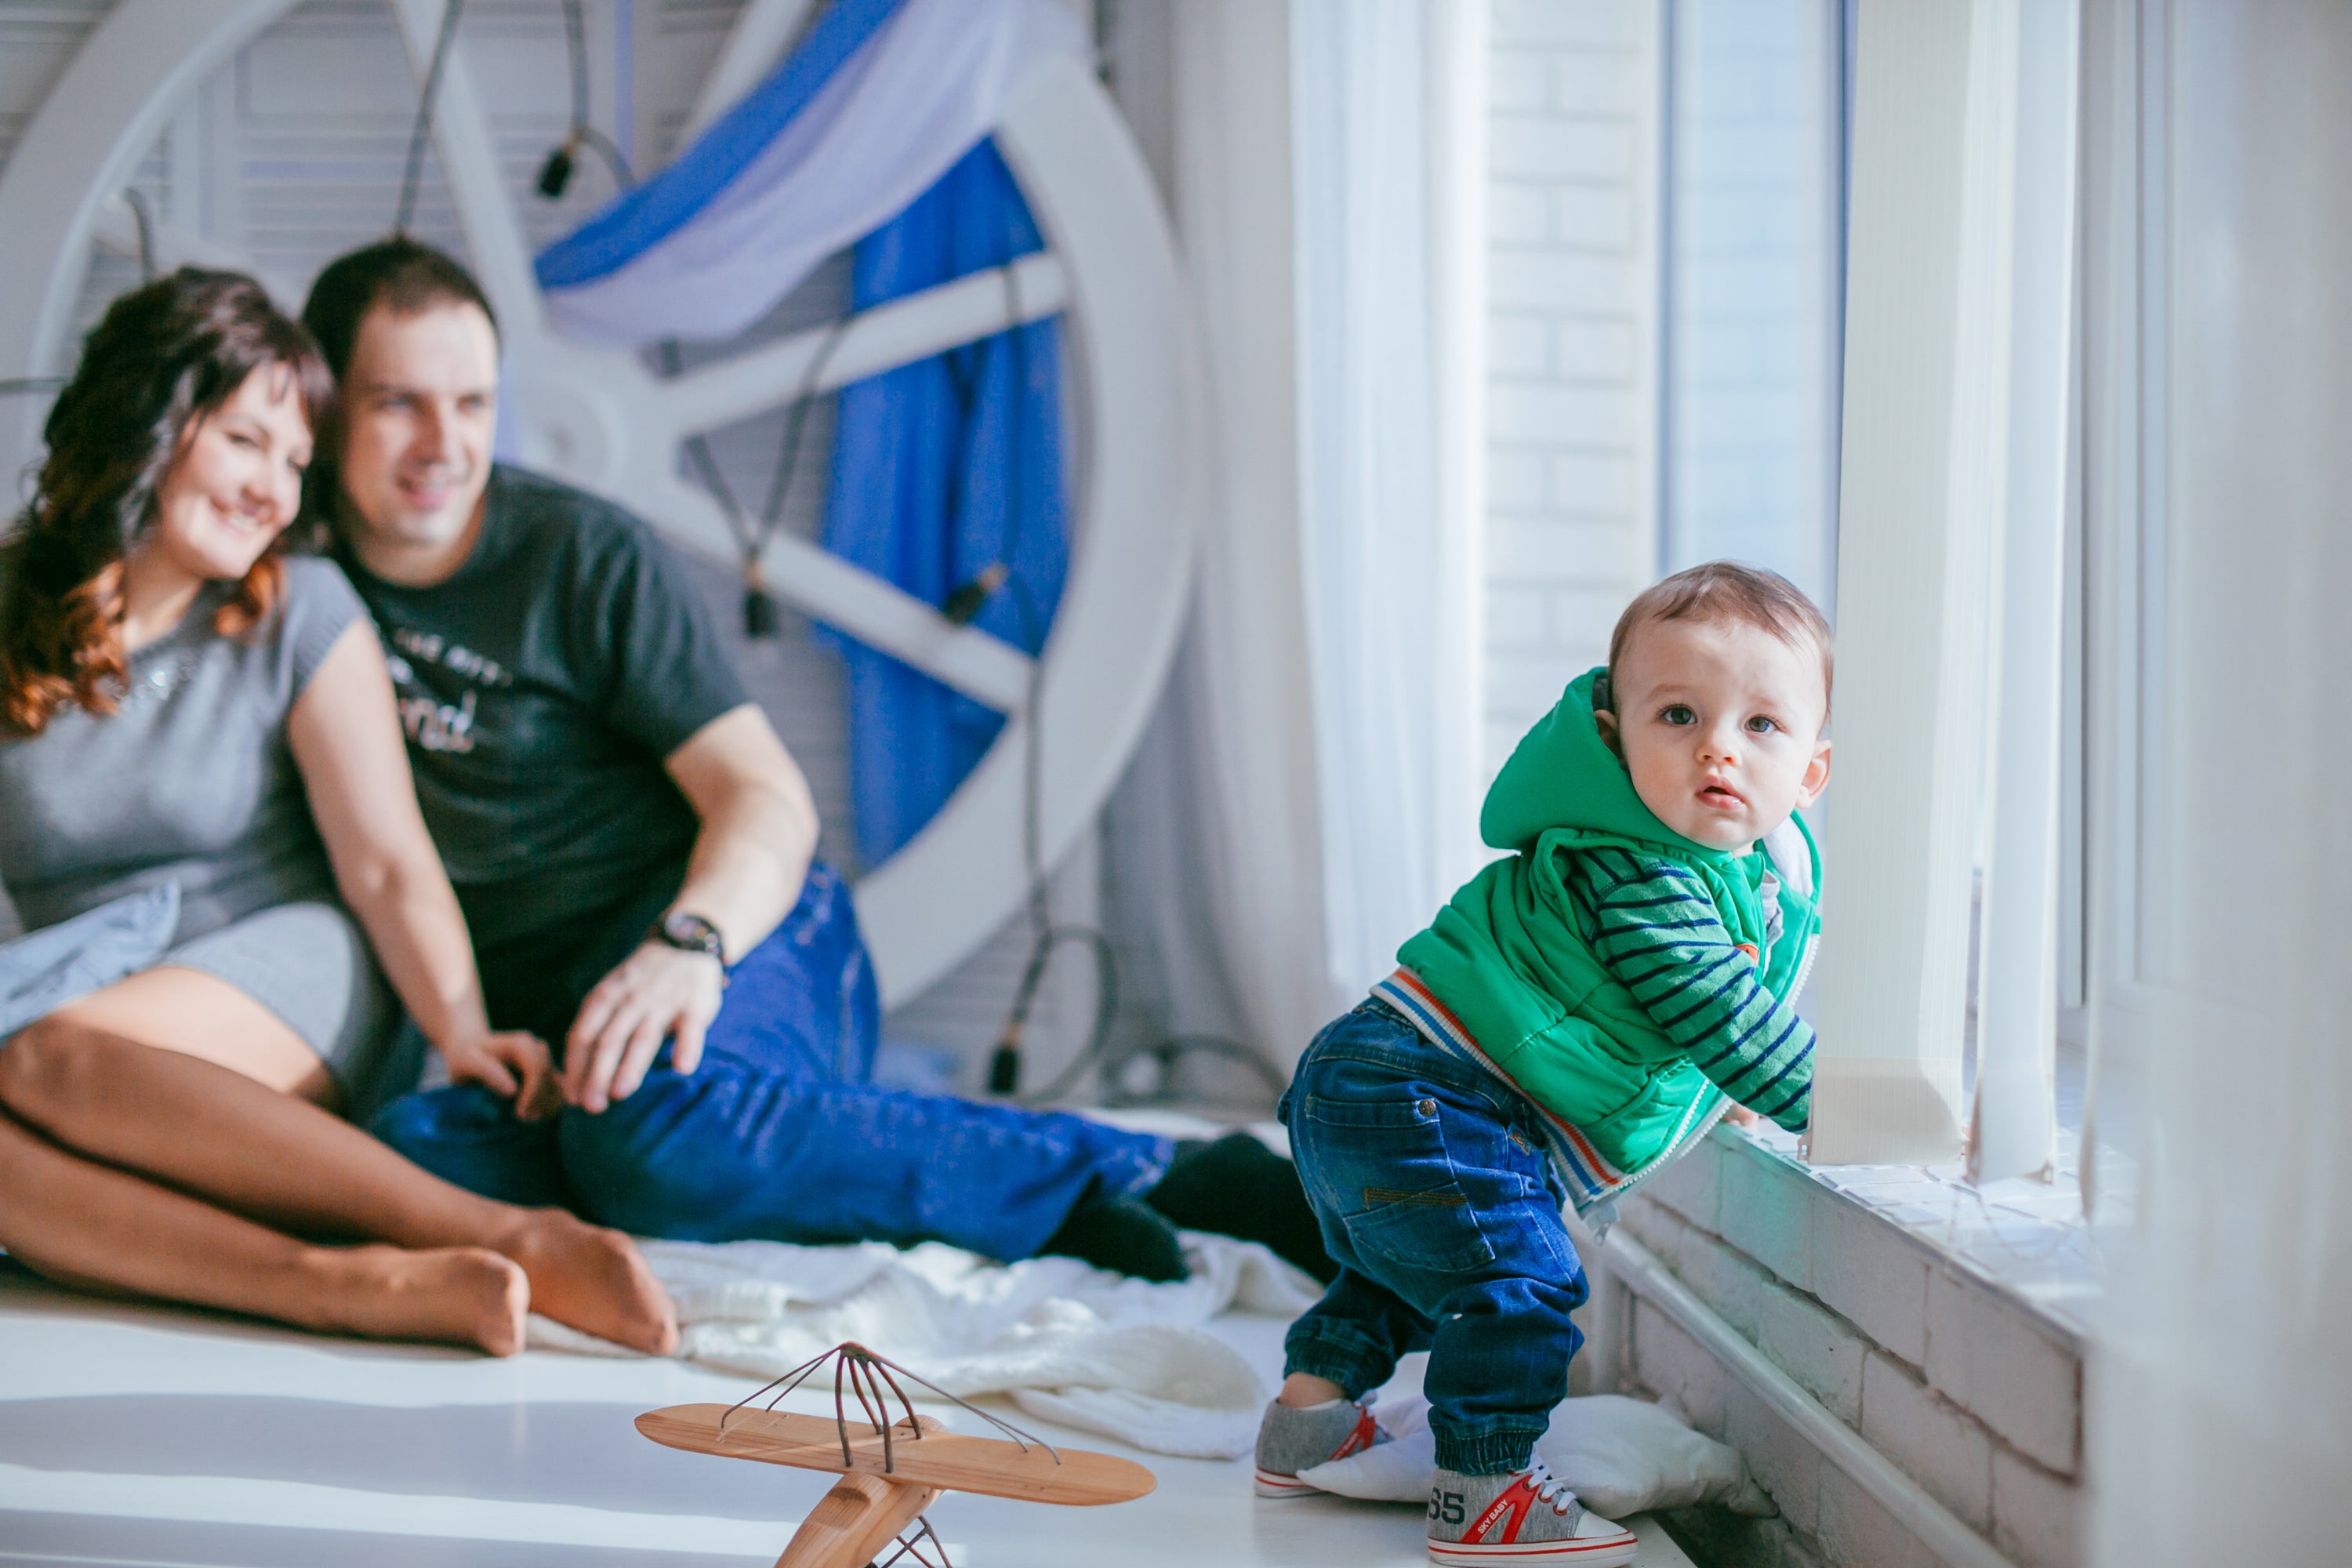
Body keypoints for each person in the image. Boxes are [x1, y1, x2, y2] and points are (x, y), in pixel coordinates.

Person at [305, 238, 1323, 1285]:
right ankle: (1006, 1207)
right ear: (326, 402)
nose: (444, 444)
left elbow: (765, 799)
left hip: (746, 932)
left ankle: (1160, 1168)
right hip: (560, 1032)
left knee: (653, 1142)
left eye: (472, 404)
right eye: (398, 404)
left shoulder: (579, 555)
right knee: (400, 1160)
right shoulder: (290, 585)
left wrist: (689, 945)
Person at [0, 268, 677, 1359]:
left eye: (296, 461)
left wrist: (458, 1028)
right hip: (81, 981)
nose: (276, 490)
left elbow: (386, 863)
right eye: (246, 442)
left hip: (290, 961)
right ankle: (336, 1285)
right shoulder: (6, 605)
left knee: (40, 1062)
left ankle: (515, 1238)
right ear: (154, 421)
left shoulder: (303, 608)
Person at [1254, 562, 1832, 1567]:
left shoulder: (1739, 871)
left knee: (1408, 1265)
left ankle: (1307, 1418)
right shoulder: (1637, 865)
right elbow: (1708, 1002)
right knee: (1521, 1271)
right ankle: (1482, 1487)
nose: (1718, 750)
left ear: (1811, 772)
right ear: (1614, 734)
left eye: (1762, 727)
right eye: (1680, 715)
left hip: (1379, 1078)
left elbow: (1679, 1017)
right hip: (1427, 1084)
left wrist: (1726, 1102)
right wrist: (1833, 1101)